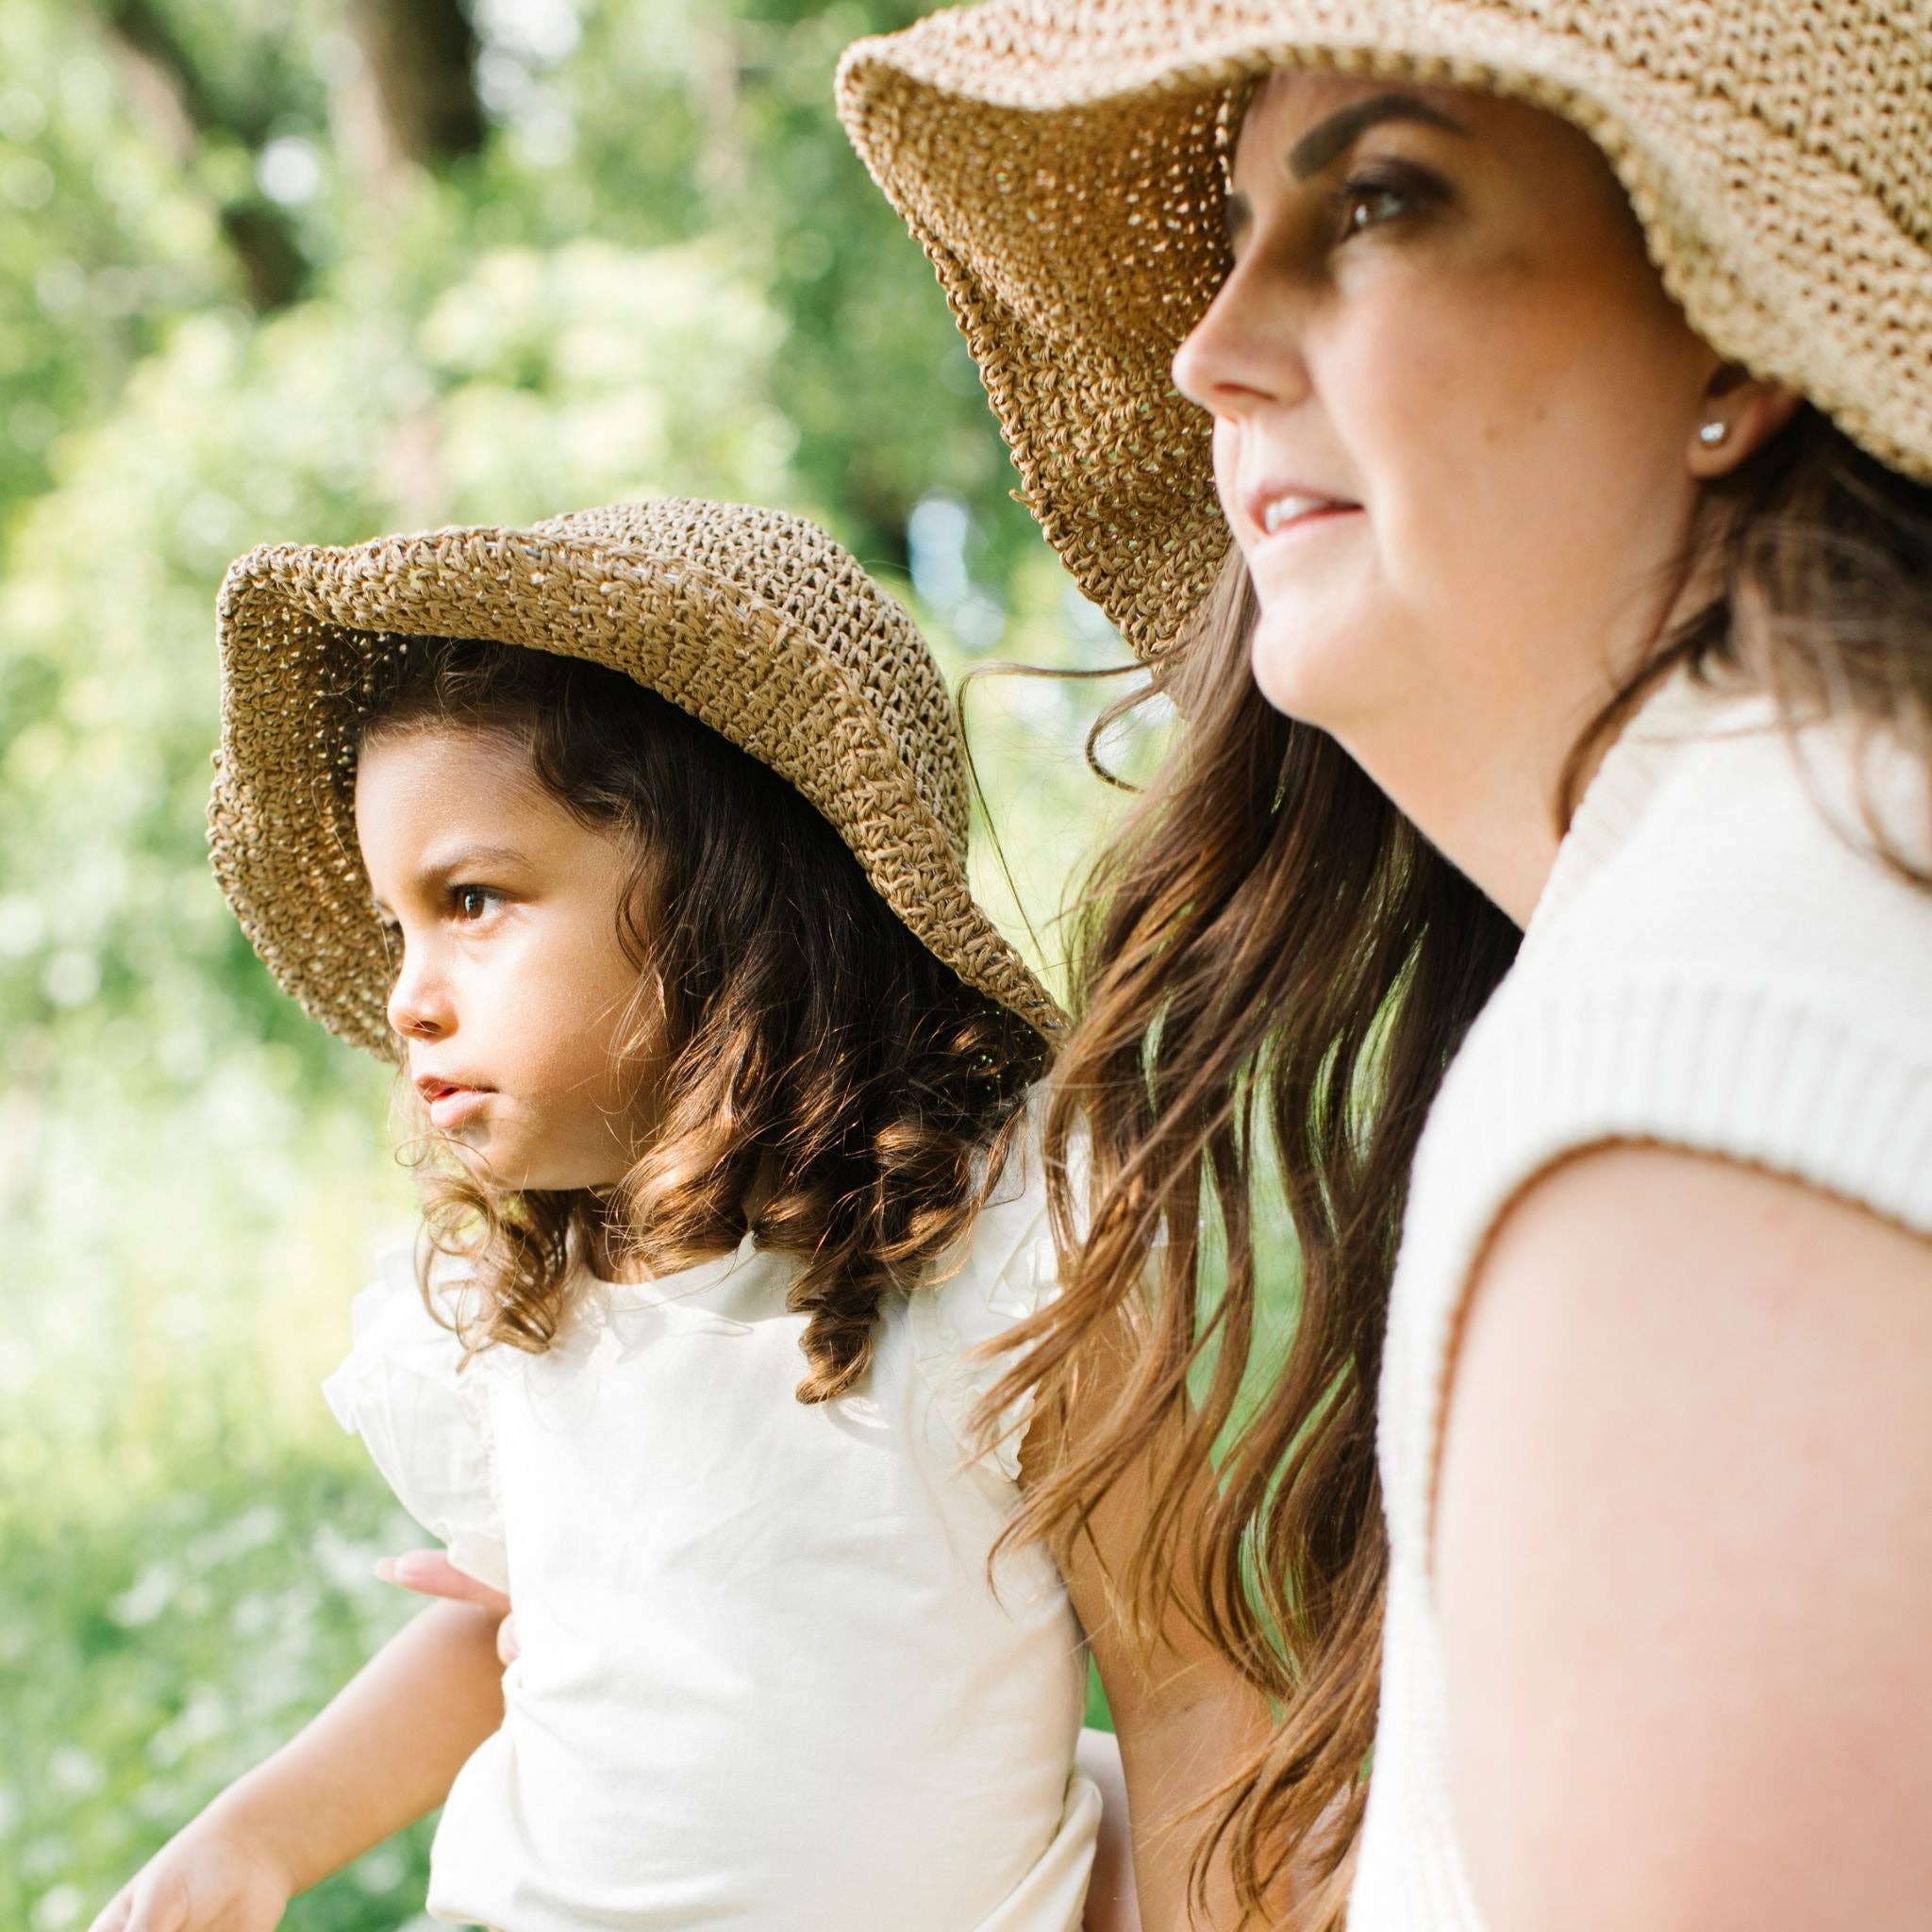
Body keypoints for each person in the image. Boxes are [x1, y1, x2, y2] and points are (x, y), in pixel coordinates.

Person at [840, 4, 1932, 1927]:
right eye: (1245, 226)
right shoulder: (1802, 887)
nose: (1210, 344)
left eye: (1381, 202)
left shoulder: (1691, 1073)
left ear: (1733, 335)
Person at [88, 499, 1270, 1932]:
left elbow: (1191, 1679)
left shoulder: (1005, 1247)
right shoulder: (518, 1298)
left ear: (727, 897)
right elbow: (516, 1631)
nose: (408, 993)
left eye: (472, 899)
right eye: (399, 925)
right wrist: (253, 1840)